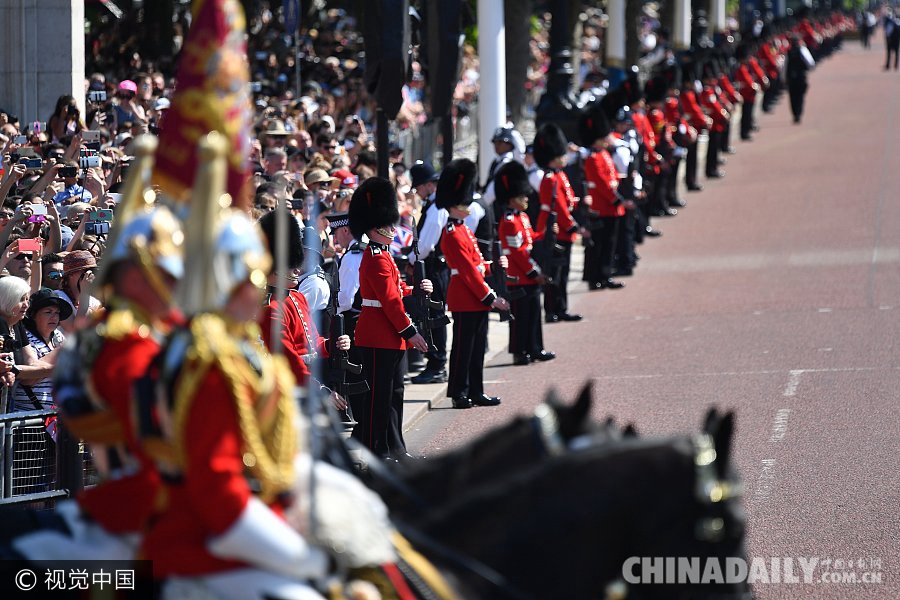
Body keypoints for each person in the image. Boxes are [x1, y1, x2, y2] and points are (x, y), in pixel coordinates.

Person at [11, 205, 184, 562]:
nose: (56, 316)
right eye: (85, 272)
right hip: (43, 421)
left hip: (93, 426)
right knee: (38, 491)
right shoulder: (51, 326)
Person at [348, 177, 431, 459]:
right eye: (389, 224)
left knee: (393, 394)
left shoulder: (382, 254)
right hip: (379, 334)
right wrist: (411, 332)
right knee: (378, 399)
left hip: (388, 335)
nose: (394, 229)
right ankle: (376, 450)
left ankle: (394, 447)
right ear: (376, 226)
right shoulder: (376, 256)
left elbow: (394, 291)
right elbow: (390, 302)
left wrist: (415, 288)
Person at [437, 159, 508, 408]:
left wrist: (493, 266)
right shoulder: (452, 232)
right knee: (463, 348)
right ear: (454, 206)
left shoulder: (463, 229)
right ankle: (459, 393)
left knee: (477, 347)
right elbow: (467, 271)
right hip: (465, 296)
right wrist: (490, 297)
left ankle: (476, 390)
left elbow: (476, 263)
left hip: (475, 295)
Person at [494, 160, 555, 366]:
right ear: (511, 199)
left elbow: (530, 240)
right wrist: (533, 272)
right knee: (520, 318)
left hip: (527, 274)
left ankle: (535, 347)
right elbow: (517, 251)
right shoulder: (509, 221)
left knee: (533, 315)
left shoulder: (523, 217)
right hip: (519, 276)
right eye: (522, 196)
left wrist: (545, 233)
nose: (526, 198)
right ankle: (520, 351)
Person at [532, 122, 583, 324]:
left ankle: (560, 307)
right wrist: (571, 224)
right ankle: (553, 309)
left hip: (562, 230)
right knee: (555, 272)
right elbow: (559, 207)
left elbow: (567, 200)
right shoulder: (551, 178)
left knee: (563, 272)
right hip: (556, 231)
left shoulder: (558, 175)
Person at [407, 161, 448, 385]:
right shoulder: (435, 206)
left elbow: (426, 245)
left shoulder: (436, 208)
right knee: (431, 316)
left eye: (419, 187)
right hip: (432, 267)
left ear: (429, 185)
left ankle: (437, 364)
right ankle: (436, 362)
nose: (418, 192)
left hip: (433, 267)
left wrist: (411, 259)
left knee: (434, 318)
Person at [580, 106, 625, 291]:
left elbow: (613, 175)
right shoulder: (592, 158)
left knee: (609, 243)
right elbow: (601, 182)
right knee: (597, 245)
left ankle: (605, 275)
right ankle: (595, 277)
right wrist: (614, 197)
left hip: (610, 205)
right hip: (602, 205)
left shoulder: (604, 154)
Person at [12, 288, 69, 412]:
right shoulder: (26, 338)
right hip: (28, 418)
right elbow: (28, 379)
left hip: (55, 418)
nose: (54, 317)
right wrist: (61, 352)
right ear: (33, 315)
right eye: (48, 312)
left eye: (57, 313)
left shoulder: (58, 336)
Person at [785, 36, 816, 124]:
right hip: (801, 77)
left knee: (793, 97)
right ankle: (798, 114)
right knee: (800, 97)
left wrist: (783, 79)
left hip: (791, 77)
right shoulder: (802, 50)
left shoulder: (788, 51)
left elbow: (785, 66)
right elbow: (810, 63)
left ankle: (795, 114)